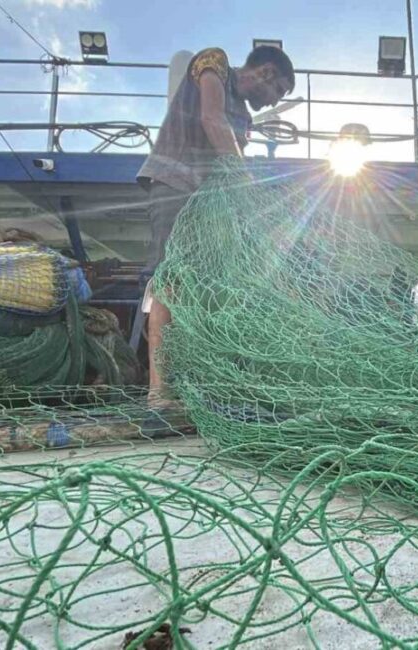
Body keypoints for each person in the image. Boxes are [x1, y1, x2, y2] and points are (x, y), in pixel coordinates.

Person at [138, 45, 295, 397]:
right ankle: (158, 394)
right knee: (171, 279)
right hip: (175, 182)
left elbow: (234, 151)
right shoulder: (216, 63)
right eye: (278, 91)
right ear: (266, 72)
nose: (274, 101)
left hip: (209, 202)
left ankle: (197, 384)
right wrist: (244, 183)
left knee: (206, 285)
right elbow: (212, 119)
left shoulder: (246, 117)